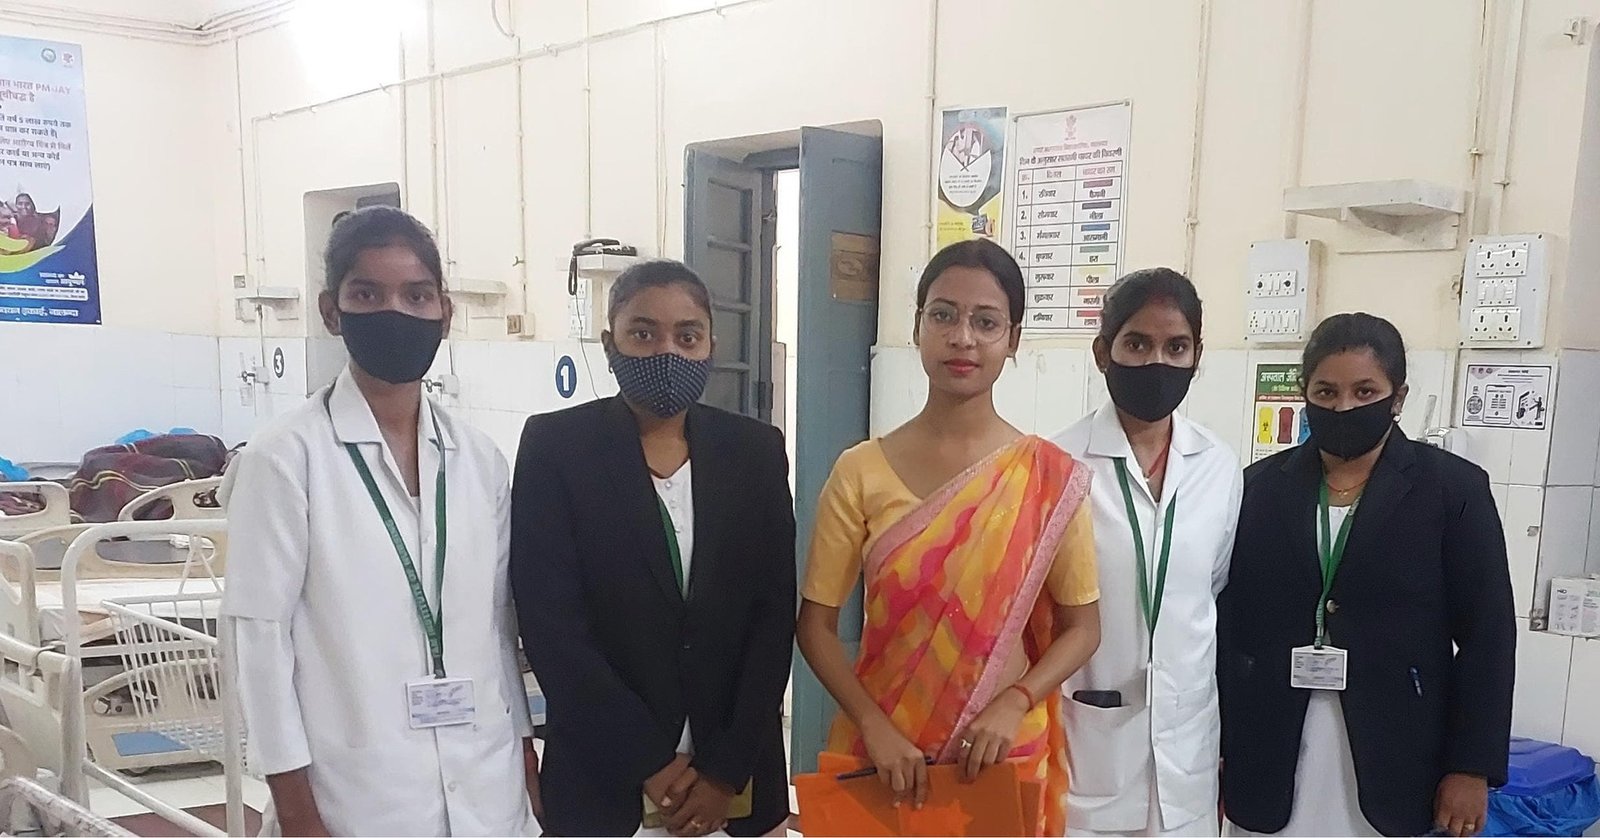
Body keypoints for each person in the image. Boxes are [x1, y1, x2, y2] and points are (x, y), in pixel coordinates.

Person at [221, 206, 540, 836]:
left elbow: (496, 628)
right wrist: (297, 812)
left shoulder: (478, 460)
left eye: (417, 295)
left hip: (486, 791)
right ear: (331, 311)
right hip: (356, 800)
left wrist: (524, 760)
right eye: (368, 294)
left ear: (444, 312)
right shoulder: (284, 460)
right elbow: (258, 642)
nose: (396, 312)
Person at [796, 238, 1102, 837]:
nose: (963, 337)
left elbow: (1084, 628)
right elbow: (815, 627)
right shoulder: (861, 471)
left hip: (996, 756)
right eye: (944, 315)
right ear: (918, 327)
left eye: (986, 322)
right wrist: (874, 726)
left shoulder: (1047, 476)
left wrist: (1017, 700)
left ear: (1013, 339)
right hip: (885, 756)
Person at [512, 260, 795, 837]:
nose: (668, 351)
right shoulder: (557, 449)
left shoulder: (755, 453)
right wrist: (651, 763)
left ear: (711, 347)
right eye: (643, 334)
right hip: (603, 783)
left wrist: (724, 772)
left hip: (735, 781)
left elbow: (772, 619)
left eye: (687, 337)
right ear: (609, 343)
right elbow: (552, 628)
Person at [1219, 313, 1515, 838]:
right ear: (1305, 394)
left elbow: (1487, 635)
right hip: (1270, 746)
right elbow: (1230, 623)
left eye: (1364, 391)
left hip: (1398, 747)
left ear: (1397, 397)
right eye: (1326, 392)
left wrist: (1471, 766)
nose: (1344, 407)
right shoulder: (1258, 489)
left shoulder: (1452, 490)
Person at [1051, 268, 1241, 837]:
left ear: (1197, 356)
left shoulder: (1218, 465)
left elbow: (1209, 591)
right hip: (1090, 747)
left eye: (1176, 347)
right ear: (1102, 353)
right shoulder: (1058, 465)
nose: (1158, 361)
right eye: (1137, 344)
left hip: (1189, 758)